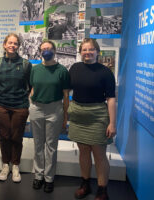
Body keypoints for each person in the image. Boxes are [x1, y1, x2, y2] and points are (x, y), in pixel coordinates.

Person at [68, 38, 116, 200]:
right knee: (83, 152)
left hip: (97, 116)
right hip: (78, 115)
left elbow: (111, 99)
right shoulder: (74, 68)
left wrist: (112, 123)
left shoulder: (105, 72)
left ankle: (102, 190)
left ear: (97, 52)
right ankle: (85, 184)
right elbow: (67, 90)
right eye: (84, 50)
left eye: (91, 49)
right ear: (80, 52)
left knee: (99, 154)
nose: (87, 52)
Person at [0, 33, 32, 183]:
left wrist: (22, 97)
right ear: (4, 45)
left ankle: (15, 165)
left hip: (20, 106)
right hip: (1, 105)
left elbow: (30, 85)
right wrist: (3, 94)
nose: (12, 46)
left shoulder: (26, 64)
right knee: (5, 135)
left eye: (15, 44)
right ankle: (5, 165)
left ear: (18, 46)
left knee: (16, 136)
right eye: (10, 43)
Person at [29, 40, 70, 193]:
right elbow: (32, 88)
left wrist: (66, 116)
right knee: (38, 144)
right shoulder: (35, 69)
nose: (46, 51)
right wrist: (31, 104)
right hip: (37, 108)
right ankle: (38, 175)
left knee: (51, 146)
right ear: (40, 51)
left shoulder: (62, 71)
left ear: (54, 50)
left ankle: (49, 178)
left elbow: (66, 96)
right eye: (43, 48)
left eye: (49, 48)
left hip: (55, 109)